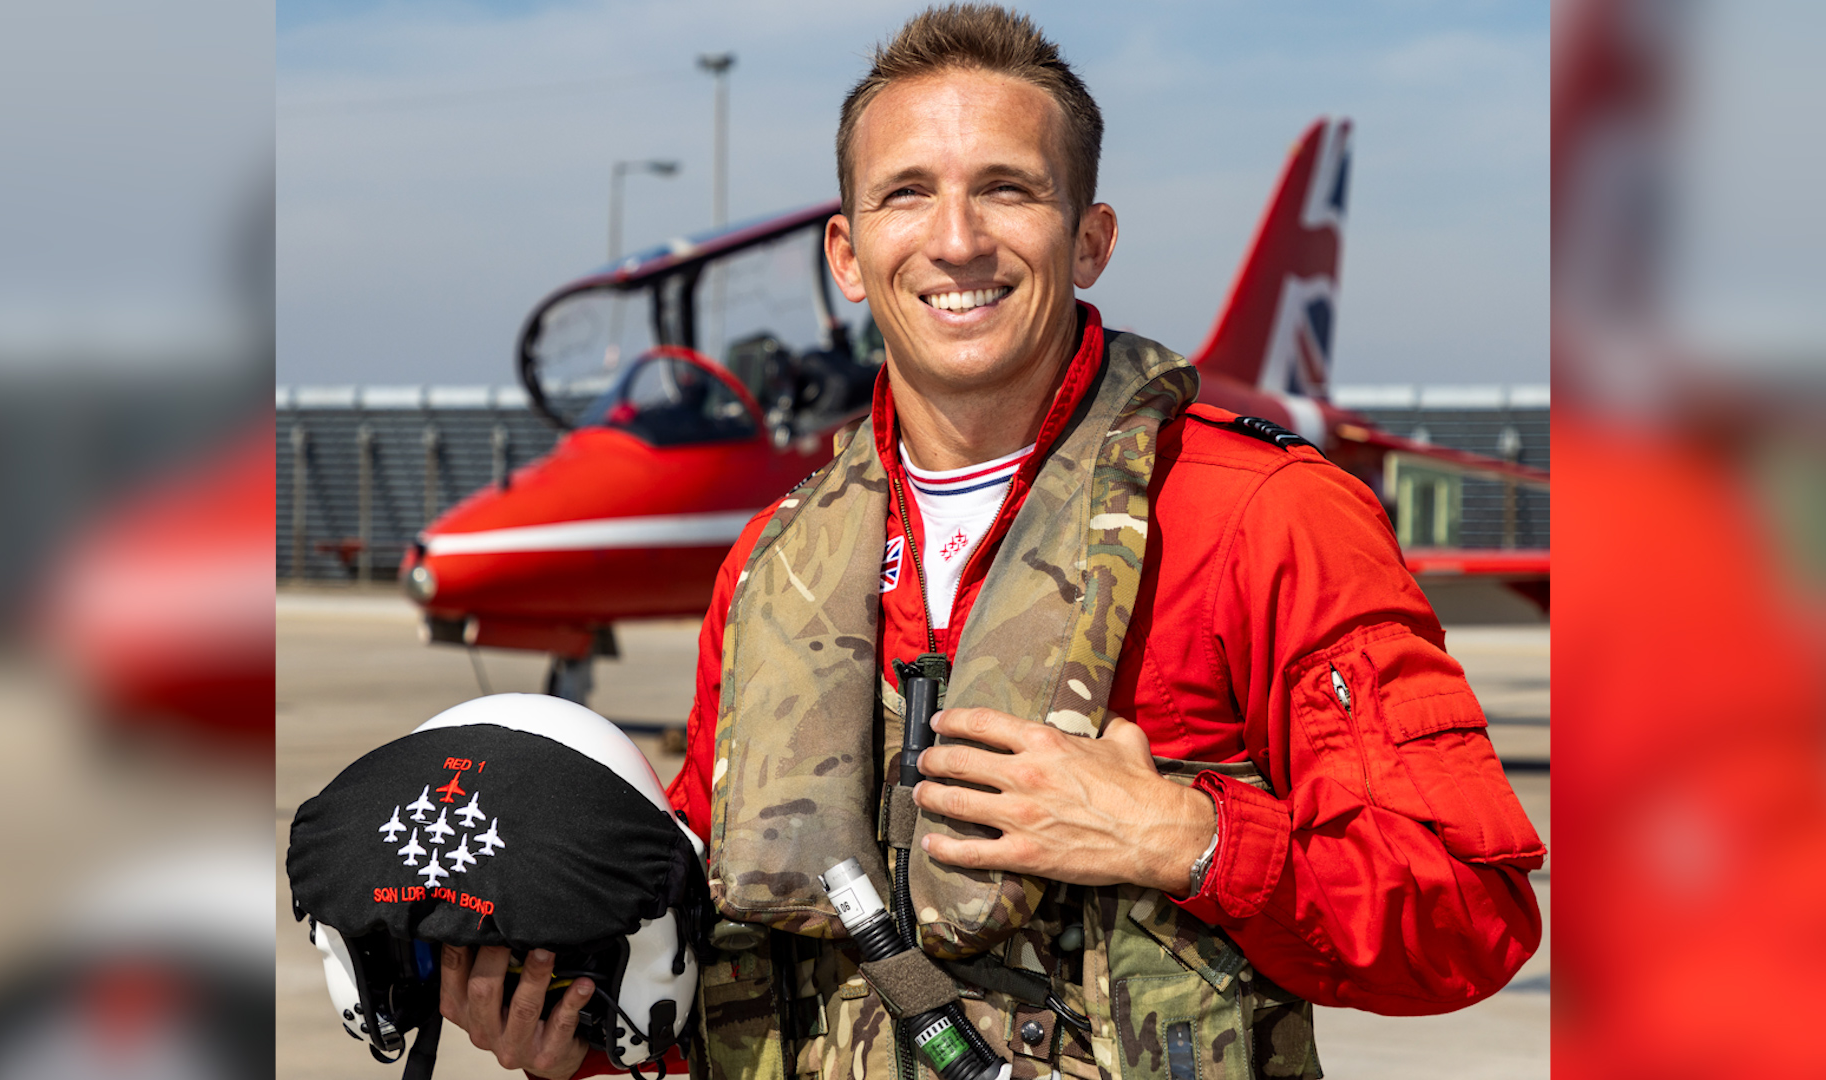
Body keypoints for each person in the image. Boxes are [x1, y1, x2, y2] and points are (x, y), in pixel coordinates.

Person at [441, 6, 1543, 1078]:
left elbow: (1469, 921)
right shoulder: (773, 567)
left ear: (1093, 239)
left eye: (1007, 190)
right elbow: (721, 962)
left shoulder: (1261, 516)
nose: (956, 239)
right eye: (905, 194)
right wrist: (582, 1032)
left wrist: (1188, 842)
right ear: (847, 251)